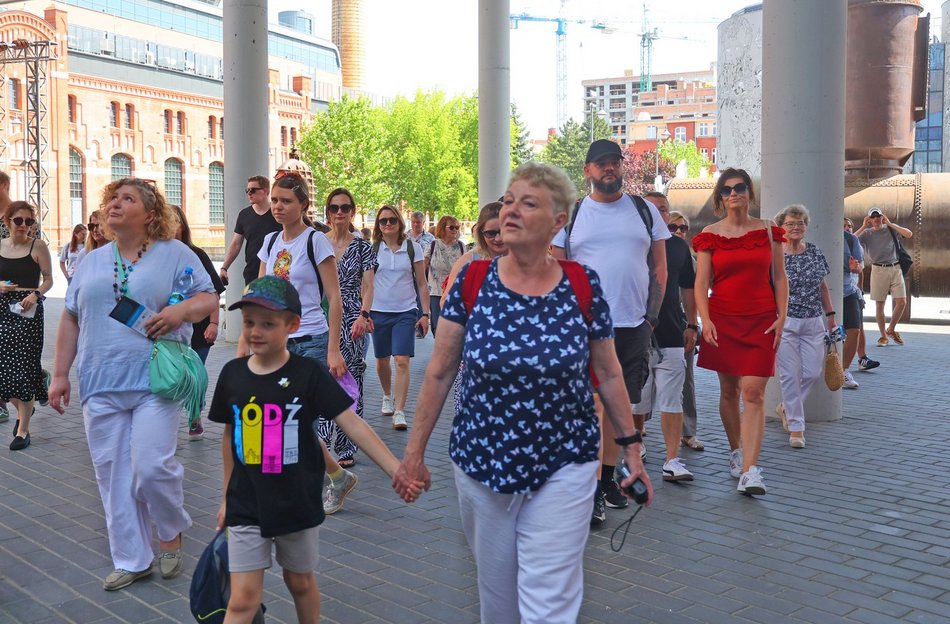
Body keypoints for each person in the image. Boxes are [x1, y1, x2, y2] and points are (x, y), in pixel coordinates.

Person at [393, 161, 653, 624]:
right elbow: (439, 373)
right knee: (499, 602)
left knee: (549, 602)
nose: (510, 211)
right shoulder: (473, 281)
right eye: (509, 200)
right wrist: (413, 454)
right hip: (482, 461)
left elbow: (609, 374)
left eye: (528, 203)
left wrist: (631, 449)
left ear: (558, 222)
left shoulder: (582, 283)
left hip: (565, 462)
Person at [211, 276, 421, 624]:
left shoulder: (308, 373)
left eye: (268, 323)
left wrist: (395, 470)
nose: (255, 331)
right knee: (242, 599)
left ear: (292, 325)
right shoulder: (233, 374)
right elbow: (229, 438)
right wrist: (225, 499)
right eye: (249, 322)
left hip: (297, 502)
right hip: (246, 503)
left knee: (300, 582)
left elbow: (352, 423)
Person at [48, 178, 217, 590]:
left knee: (151, 467)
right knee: (112, 476)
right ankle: (131, 558)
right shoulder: (91, 261)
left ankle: (170, 529)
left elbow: (208, 298)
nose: (115, 204)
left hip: (154, 379)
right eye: (112, 198)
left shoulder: (174, 253)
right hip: (99, 380)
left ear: (150, 214)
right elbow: (70, 316)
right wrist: (59, 374)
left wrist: (179, 313)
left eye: (127, 199)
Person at [551, 139, 668, 524]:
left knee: (620, 409)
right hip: (585, 327)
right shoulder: (571, 214)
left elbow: (659, 267)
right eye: (600, 163)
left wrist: (650, 319)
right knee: (594, 407)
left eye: (614, 162)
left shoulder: (644, 210)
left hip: (633, 325)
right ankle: (590, 488)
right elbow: (558, 272)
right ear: (587, 170)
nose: (608, 168)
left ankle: (604, 482)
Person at [250, 173, 357, 515]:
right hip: (277, 343)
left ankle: (314, 483)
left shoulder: (315, 241)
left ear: (303, 205)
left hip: (311, 340)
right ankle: (333, 477)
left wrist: (334, 349)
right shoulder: (270, 242)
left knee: (297, 419)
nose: (278, 207)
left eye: (286, 201)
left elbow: (334, 298)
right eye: (275, 200)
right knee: (276, 417)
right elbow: (261, 293)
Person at [692, 168, 788, 496]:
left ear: (750, 192)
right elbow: (701, 283)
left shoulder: (769, 231)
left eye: (740, 187)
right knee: (730, 391)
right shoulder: (710, 234)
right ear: (720, 197)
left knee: (753, 392)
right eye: (727, 189)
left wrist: (782, 316)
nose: (733, 193)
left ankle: (750, 469)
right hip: (723, 319)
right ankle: (736, 450)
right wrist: (705, 320)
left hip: (762, 320)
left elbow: (780, 277)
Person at [632, 193, 698, 482]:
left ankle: (672, 459)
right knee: (637, 400)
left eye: (663, 209)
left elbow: (688, 287)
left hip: (671, 332)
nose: (658, 213)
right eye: (650, 208)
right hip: (634, 335)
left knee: (673, 399)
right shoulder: (629, 243)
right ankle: (637, 442)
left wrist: (692, 324)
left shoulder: (679, 247)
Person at [320, 187, 376, 468]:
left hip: (353, 317)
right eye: (334, 207)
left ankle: (346, 445)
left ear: (352, 212)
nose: (339, 212)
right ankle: (320, 441)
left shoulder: (363, 246)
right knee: (321, 378)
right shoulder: (319, 243)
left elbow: (368, 285)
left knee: (350, 379)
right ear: (328, 212)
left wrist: (363, 315)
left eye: (345, 207)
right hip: (322, 317)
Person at [773, 205, 836, 449]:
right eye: (790, 223)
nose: (796, 227)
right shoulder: (775, 254)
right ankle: (796, 427)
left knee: (812, 373)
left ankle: (786, 407)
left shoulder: (815, 252)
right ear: (781, 227)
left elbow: (822, 286)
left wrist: (831, 316)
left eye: (800, 223)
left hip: (813, 321)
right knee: (789, 375)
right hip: (785, 321)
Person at [440, 201, 507, 416]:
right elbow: (446, 303)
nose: (498, 238)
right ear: (480, 233)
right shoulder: (469, 261)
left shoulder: (525, 260)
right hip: (475, 355)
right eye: (490, 233)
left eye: (503, 231)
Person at [370, 205, 429, 431]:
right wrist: (364, 313)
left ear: (399, 223)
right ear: (378, 225)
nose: (387, 224)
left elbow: (422, 283)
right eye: (383, 221)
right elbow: (366, 285)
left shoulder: (413, 248)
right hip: (378, 311)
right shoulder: (373, 250)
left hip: (405, 311)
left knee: (402, 360)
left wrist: (425, 314)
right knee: (382, 360)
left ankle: (400, 410)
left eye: (392, 220)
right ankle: (387, 395)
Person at [0, 201, 53, 450]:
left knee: (24, 367)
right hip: (2, 309)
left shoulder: (38, 246)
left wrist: (36, 294)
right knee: (4, 368)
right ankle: (25, 408)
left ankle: (23, 431)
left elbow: (49, 280)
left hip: (27, 310)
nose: (23, 225)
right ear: (7, 221)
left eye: (29, 221)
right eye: (18, 220)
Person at [170, 204, 226, 439]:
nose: (170, 226)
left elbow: (213, 291)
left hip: (200, 328)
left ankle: (194, 415)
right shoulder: (154, 256)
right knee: (174, 375)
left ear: (182, 226)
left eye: (174, 221)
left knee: (196, 375)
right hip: (171, 329)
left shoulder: (197, 255)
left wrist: (214, 323)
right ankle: (169, 417)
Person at [668, 210, 705, 451]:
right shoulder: (652, 251)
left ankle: (688, 432)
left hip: (682, 323)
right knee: (644, 379)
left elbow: (697, 292)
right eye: (673, 227)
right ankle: (637, 429)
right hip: (652, 323)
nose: (679, 232)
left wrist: (694, 324)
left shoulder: (691, 259)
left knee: (686, 380)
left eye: (683, 228)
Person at [854, 207, 913, 347]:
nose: (876, 219)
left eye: (878, 216)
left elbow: (909, 234)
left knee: (902, 302)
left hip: (895, 268)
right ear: (869, 219)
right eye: (873, 217)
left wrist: (890, 224)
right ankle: (883, 336)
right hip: (878, 269)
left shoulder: (891, 229)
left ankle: (891, 329)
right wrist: (863, 226)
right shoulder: (867, 233)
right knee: (880, 304)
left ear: (882, 217)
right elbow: (851, 240)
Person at [220, 175, 280, 288]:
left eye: (253, 190)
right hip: (251, 273)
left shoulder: (278, 213)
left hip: (276, 272)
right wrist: (224, 267)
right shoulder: (244, 215)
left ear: (265, 191)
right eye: (247, 190)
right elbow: (236, 244)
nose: (249, 193)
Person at [841, 218, 878, 388]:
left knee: (855, 330)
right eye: (843, 225)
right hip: (825, 292)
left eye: (849, 226)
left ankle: (844, 371)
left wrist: (855, 268)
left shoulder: (852, 240)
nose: (847, 228)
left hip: (848, 290)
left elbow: (859, 268)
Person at [424, 215, 464, 335]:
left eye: (457, 227)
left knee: (455, 326)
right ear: (442, 228)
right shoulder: (433, 245)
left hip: (456, 292)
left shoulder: (461, 246)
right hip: (436, 292)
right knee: (437, 326)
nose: (455, 230)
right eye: (451, 227)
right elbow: (422, 267)